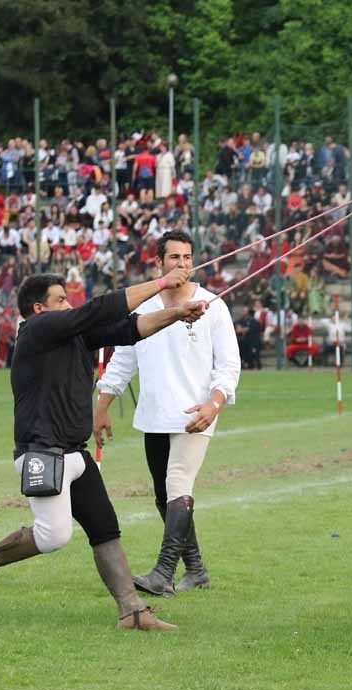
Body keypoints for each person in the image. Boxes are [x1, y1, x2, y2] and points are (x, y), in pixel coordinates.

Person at [0, 266, 205, 630]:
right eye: (61, 300)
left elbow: (129, 329)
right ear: (39, 309)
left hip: (74, 451)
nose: (69, 305)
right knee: (54, 536)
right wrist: (163, 283)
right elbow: (101, 309)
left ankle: (131, 612)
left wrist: (177, 314)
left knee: (105, 528)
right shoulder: (37, 330)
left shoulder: (75, 336)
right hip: (41, 452)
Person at [94, 232, 241, 597]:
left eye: (187, 257)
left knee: (178, 486)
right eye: (174, 257)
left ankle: (163, 573)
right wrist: (101, 408)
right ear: (158, 263)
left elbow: (228, 366)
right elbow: (123, 361)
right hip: (154, 415)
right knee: (164, 496)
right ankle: (197, 570)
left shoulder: (213, 306)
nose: (182, 264)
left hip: (196, 414)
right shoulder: (143, 309)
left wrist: (215, 404)